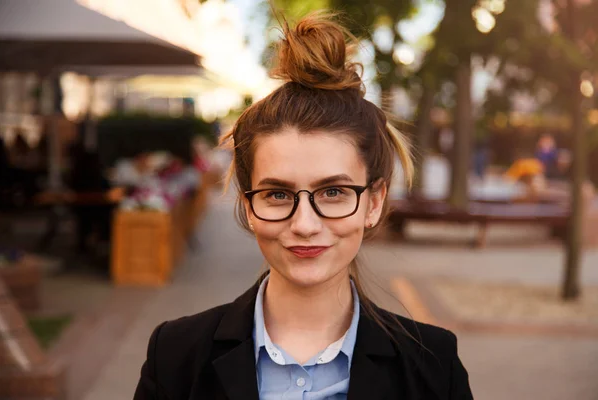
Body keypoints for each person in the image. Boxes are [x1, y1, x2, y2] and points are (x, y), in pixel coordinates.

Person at [133, 13, 473, 400]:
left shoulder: (433, 367)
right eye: (278, 194)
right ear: (247, 205)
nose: (305, 224)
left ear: (374, 202)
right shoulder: (175, 355)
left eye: (333, 193)